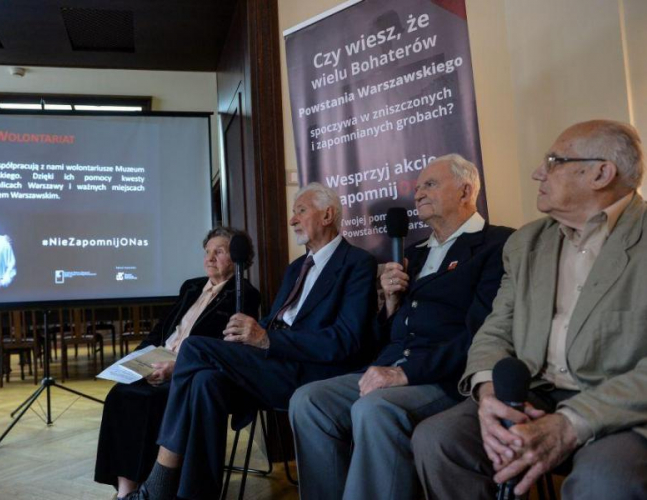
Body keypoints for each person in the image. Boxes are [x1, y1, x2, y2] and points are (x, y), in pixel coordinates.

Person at [413, 120, 647, 499]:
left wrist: (572, 422)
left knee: (605, 480)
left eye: (554, 161)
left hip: (622, 406)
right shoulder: (526, 242)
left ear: (601, 173)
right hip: (535, 394)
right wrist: (488, 396)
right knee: (439, 440)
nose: (539, 172)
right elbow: (495, 329)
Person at [122, 182, 378, 500]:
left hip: (310, 372)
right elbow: (274, 322)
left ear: (327, 214)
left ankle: (159, 482)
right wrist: (251, 337)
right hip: (271, 364)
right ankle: (194, 495)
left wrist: (266, 340)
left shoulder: (357, 264)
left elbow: (346, 341)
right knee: (203, 381)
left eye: (301, 210)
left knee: (194, 346)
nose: (292, 220)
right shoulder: (297, 267)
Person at [288, 155, 514, 500]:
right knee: (308, 400)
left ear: (466, 190)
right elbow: (392, 333)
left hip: (446, 376)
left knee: (375, 407)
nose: (418, 194)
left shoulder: (497, 245)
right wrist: (390, 305)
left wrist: (405, 373)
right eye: (418, 186)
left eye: (430, 185)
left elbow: (484, 333)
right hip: (393, 365)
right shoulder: (415, 252)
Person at [94, 227, 261, 499]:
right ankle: (126, 492)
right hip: (159, 358)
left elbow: (228, 349)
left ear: (237, 258)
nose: (210, 258)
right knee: (120, 395)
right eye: (207, 252)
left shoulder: (244, 294)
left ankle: (157, 486)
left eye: (219, 251)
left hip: (188, 371)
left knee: (149, 401)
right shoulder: (192, 286)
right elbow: (161, 329)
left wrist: (176, 368)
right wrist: (136, 359)